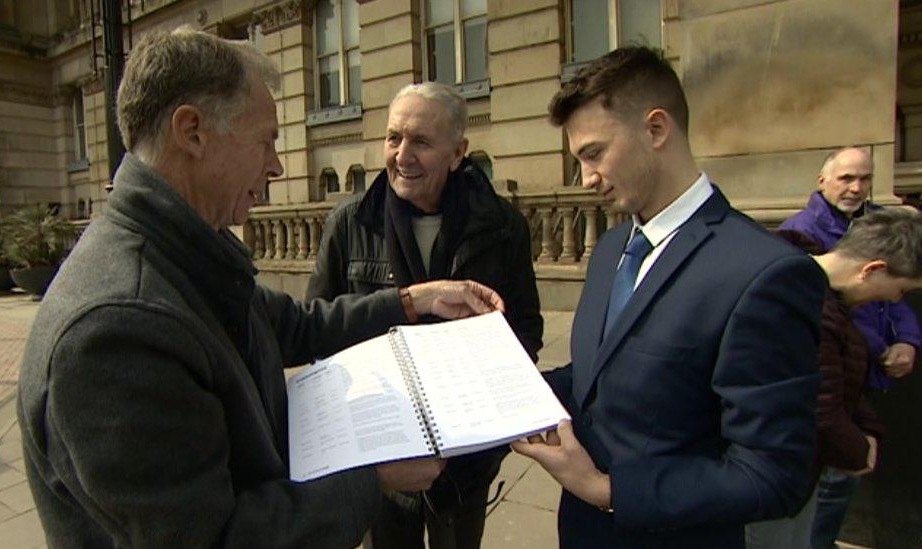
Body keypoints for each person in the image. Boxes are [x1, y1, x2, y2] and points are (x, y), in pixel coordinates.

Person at [17, 28, 505, 548]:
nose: (275, 165)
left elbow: (293, 323)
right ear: (193, 131)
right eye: (266, 140)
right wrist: (375, 476)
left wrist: (415, 298)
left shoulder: (184, 253)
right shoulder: (118, 327)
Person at [510, 46, 826, 548]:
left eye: (593, 154)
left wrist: (606, 490)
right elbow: (598, 377)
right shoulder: (612, 247)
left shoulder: (764, 273)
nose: (586, 179)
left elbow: (772, 475)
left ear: (656, 130)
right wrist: (504, 393)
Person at [305, 81, 542, 549]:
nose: (402, 155)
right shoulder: (350, 222)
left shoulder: (502, 226)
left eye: (421, 142)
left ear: (458, 153)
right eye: (394, 138)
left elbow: (526, 330)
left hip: (467, 458)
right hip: (383, 455)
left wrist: (492, 403)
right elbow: (318, 328)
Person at [747, 209, 922, 548]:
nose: (896, 299)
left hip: (797, 468)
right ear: (872, 270)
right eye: (900, 290)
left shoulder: (827, 300)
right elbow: (818, 407)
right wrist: (858, 450)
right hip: (771, 471)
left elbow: (840, 380)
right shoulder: (798, 302)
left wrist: (868, 431)